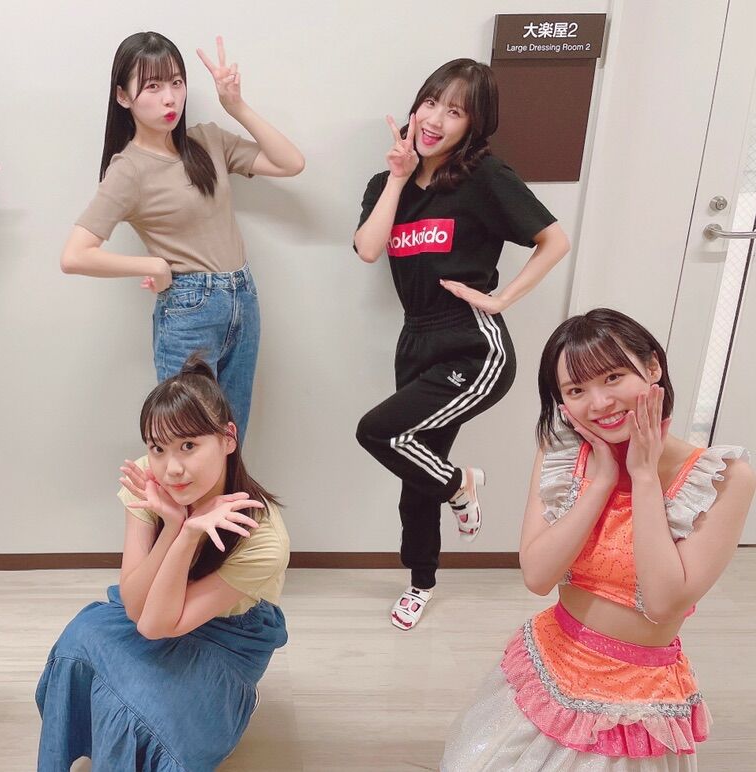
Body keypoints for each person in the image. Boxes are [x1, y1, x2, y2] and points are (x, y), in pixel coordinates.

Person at [441, 308, 755, 770]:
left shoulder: (721, 478)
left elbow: (663, 603)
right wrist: (602, 481)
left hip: (634, 703)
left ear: (652, 367)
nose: (600, 402)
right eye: (576, 390)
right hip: (551, 665)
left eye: (613, 377)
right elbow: (538, 576)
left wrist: (643, 476)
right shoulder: (562, 454)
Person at [353, 58, 570, 629]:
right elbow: (369, 248)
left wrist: (502, 300)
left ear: (473, 125)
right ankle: (421, 580)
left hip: (474, 345)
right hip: (415, 339)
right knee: (413, 467)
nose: (434, 120)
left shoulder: (484, 178)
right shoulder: (386, 184)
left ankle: (460, 484)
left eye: (454, 112)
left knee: (379, 431)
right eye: (430, 103)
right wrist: (397, 177)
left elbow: (554, 240)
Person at [35, 357, 290, 770]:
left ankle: (230, 706)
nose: (172, 469)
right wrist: (175, 527)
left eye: (189, 446)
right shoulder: (147, 478)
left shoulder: (263, 537)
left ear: (228, 438)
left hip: (228, 631)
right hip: (155, 606)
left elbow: (155, 627)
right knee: (78, 642)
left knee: (148, 709)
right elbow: (137, 608)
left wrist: (189, 535)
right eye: (158, 448)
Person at [60, 31, 305, 441]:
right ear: (123, 97)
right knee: (186, 441)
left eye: (176, 82)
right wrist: (154, 265)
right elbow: (75, 255)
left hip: (243, 298)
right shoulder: (128, 170)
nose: (170, 98)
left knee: (230, 440)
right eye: (153, 86)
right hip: (189, 311)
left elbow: (290, 163)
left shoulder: (207, 140)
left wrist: (236, 106)